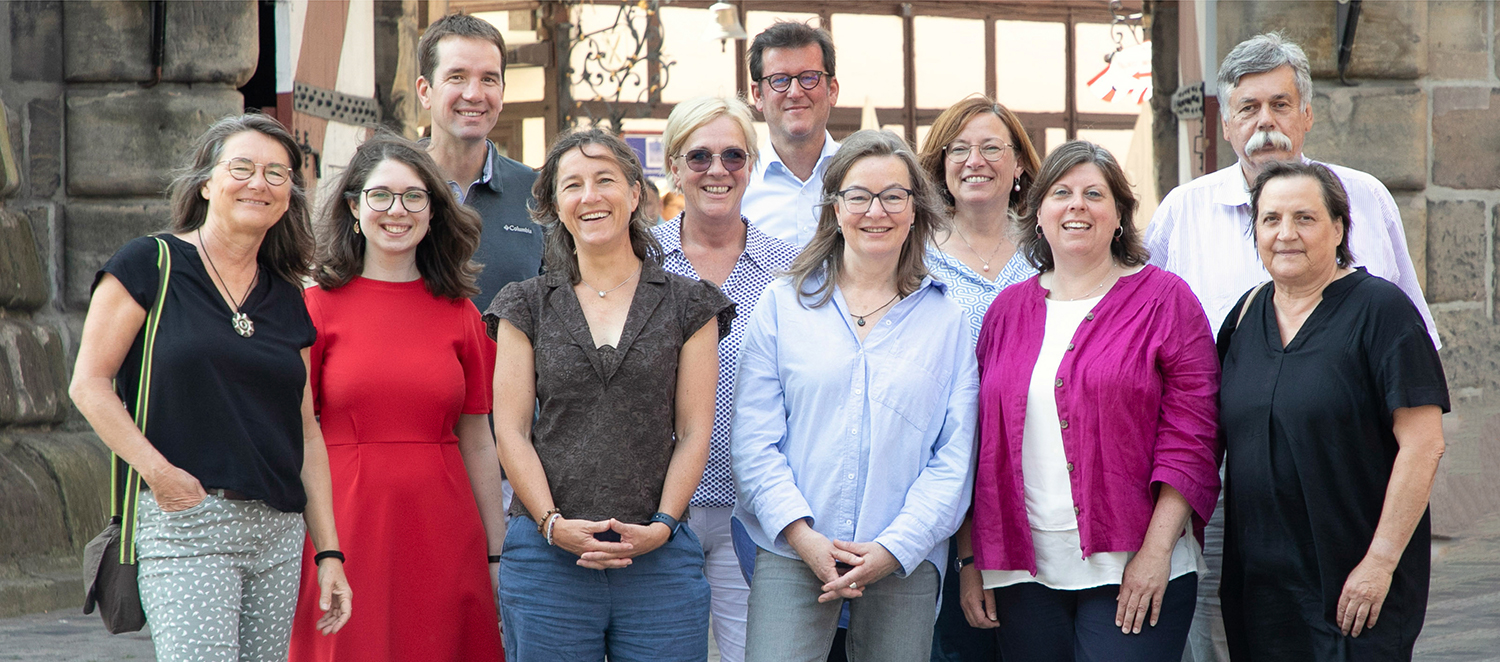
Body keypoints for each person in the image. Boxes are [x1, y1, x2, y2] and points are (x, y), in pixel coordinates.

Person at [1141, 33, 1439, 662]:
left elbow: (1421, 414)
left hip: (1352, 514)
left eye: (1280, 104)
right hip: (1240, 519)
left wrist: (1384, 552)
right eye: (1248, 107)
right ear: (1226, 122)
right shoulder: (1190, 227)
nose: (1265, 122)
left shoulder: (1371, 229)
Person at [69, 113, 352, 660]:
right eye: (241, 167)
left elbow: (306, 432)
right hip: (187, 521)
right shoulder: (149, 263)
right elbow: (90, 385)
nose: (259, 183)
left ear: (289, 195)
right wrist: (160, 474)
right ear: (206, 181)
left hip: (277, 533)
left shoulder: (288, 296)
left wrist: (330, 553)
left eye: (277, 173)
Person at [965, 140, 1220, 661]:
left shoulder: (1166, 301)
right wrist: (973, 560)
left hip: (1133, 566)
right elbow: (975, 444)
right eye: (1061, 192)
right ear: (1039, 215)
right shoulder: (1006, 311)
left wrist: (1156, 554)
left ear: (1120, 216)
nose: (1076, 205)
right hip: (1021, 572)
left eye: (1094, 194)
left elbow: (1193, 438)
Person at [487, 128, 733, 661]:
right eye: (572, 185)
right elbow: (510, 430)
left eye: (605, 180)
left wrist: (663, 525)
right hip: (548, 557)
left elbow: (694, 430)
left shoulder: (689, 304)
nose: (590, 196)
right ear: (554, 204)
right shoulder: (525, 304)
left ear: (636, 193)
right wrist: (553, 524)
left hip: (658, 561)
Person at [733, 129, 979, 662]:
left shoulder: (946, 319)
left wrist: (895, 547)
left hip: (902, 559)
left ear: (915, 210)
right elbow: (753, 441)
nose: (877, 211)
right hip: (792, 550)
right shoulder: (782, 304)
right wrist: (803, 537)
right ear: (835, 207)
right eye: (859, 196)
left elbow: (954, 457)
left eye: (894, 196)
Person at [1217, 161, 1448, 661]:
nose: (1285, 234)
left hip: (1354, 586)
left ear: (1339, 228)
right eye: (1270, 219)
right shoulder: (1242, 317)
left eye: (1305, 218)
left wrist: (1380, 563)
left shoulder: (1382, 312)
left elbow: (1424, 444)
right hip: (1264, 592)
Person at [286, 135, 505, 661]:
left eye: (413, 196)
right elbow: (298, 435)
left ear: (433, 211)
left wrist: (497, 554)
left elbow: (478, 438)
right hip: (344, 526)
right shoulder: (313, 310)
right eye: (380, 195)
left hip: (445, 528)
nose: (397, 211)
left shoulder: (462, 314)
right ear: (354, 207)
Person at [652, 95, 800, 662]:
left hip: (756, 508)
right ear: (673, 165)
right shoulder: (642, 261)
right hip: (662, 507)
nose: (717, 170)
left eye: (734, 156)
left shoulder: (788, 270)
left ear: (753, 165)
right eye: (699, 157)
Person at [916, 95, 1042, 661]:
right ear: (940, 165)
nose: (975, 160)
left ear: (1019, 164)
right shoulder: (911, 255)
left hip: (1036, 479)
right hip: (942, 483)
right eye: (959, 149)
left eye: (992, 147)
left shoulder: (1052, 247)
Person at [417, 13, 544, 311]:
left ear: (501, 91)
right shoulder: (391, 189)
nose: (474, 94)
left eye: (488, 79)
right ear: (425, 92)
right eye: (457, 76)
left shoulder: (536, 193)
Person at [741, 20, 841, 247]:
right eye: (780, 80)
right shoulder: (738, 186)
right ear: (757, 95)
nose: (795, 92)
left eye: (808, 77)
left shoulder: (860, 176)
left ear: (832, 90)